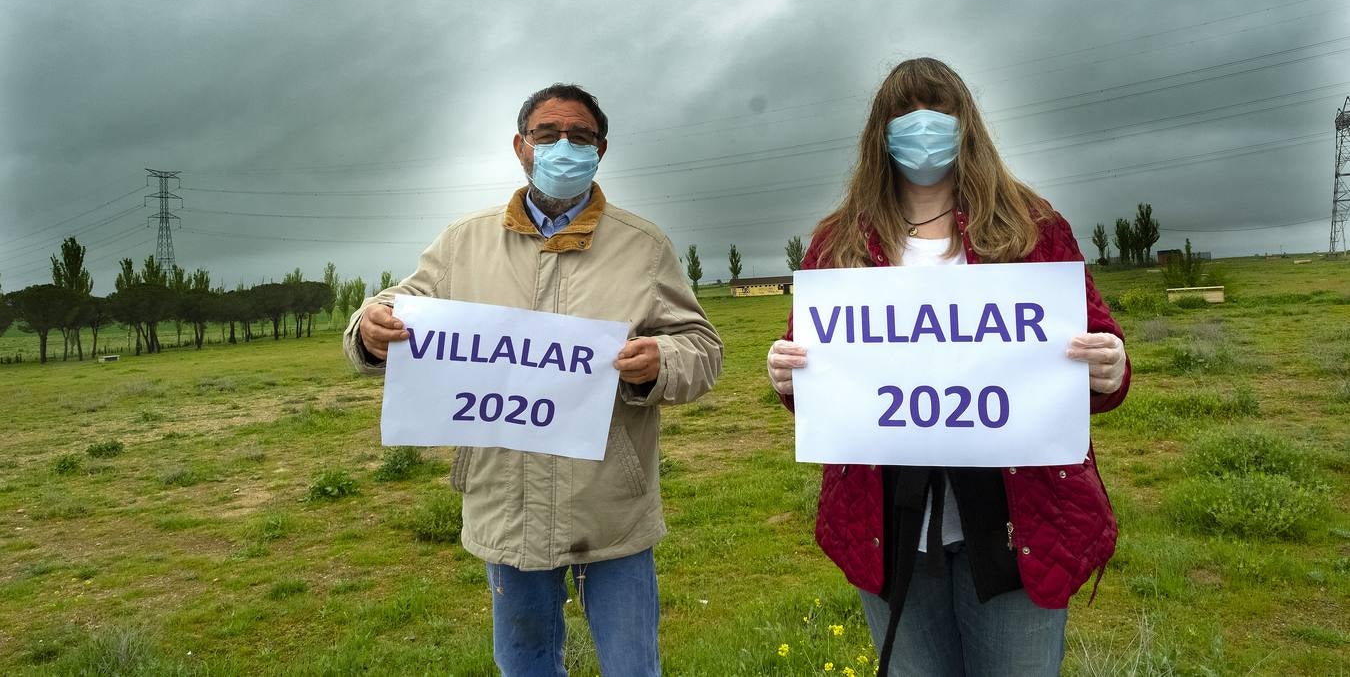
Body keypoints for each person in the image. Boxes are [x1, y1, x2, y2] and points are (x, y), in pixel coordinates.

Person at [765, 57, 1129, 677]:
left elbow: (1096, 348)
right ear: (879, 136)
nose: (922, 130)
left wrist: (1111, 365)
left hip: (1020, 514)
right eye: (903, 117)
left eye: (938, 114)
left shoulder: (1033, 226)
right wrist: (787, 376)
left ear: (967, 127)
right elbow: (820, 372)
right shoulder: (839, 242)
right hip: (890, 517)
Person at [344, 83, 723, 676]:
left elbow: (702, 346)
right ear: (521, 147)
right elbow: (399, 305)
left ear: (602, 149)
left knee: (632, 667)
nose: (563, 146)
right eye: (547, 135)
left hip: (609, 501)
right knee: (524, 665)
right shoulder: (463, 241)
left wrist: (660, 364)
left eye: (580, 136)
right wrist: (369, 329)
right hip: (506, 500)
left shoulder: (644, 247)